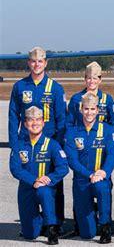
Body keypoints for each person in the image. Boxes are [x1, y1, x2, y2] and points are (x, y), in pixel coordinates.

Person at [8, 46, 67, 228]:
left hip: (49, 143)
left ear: (45, 63)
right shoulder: (20, 86)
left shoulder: (55, 88)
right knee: (28, 182)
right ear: (28, 63)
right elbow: (13, 116)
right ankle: (32, 219)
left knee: (53, 186)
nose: (36, 64)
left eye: (40, 61)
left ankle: (56, 222)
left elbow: (61, 119)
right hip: (26, 143)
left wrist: (57, 146)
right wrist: (14, 144)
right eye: (33, 61)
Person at [9, 106, 69, 245]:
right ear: (25, 124)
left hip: (46, 187)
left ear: (43, 123)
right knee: (30, 235)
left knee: (44, 192)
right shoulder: (19, 145)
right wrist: (34, 180)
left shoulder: (52, 144)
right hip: (26, 189)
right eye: (30, 120)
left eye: (37, 120)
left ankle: (52, 228)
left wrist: (49, 179)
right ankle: (40, 221)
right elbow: (15, 168)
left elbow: (63, 167)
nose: (34, 123)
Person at [64, 93, 114, 243]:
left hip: (101, 178)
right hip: (81, 181)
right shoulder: (72, 132)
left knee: (102, 189)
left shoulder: (108, 130)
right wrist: (90, 174)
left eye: (92, 109)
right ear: (81, 109)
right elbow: (72, 160)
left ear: (98, 110)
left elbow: (112, 155)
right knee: (86, 234)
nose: (89, 112)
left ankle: (105, 226)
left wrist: (104, 172)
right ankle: (92, 212)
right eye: (86, 109)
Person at [67, 61, 114, 128]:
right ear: (85, 79)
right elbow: (69, 123)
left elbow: (113, 123)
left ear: (100, 80)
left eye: (95, 78)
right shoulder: (76, 99)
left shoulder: (107, 100)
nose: (92, 81)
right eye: (89, 78)